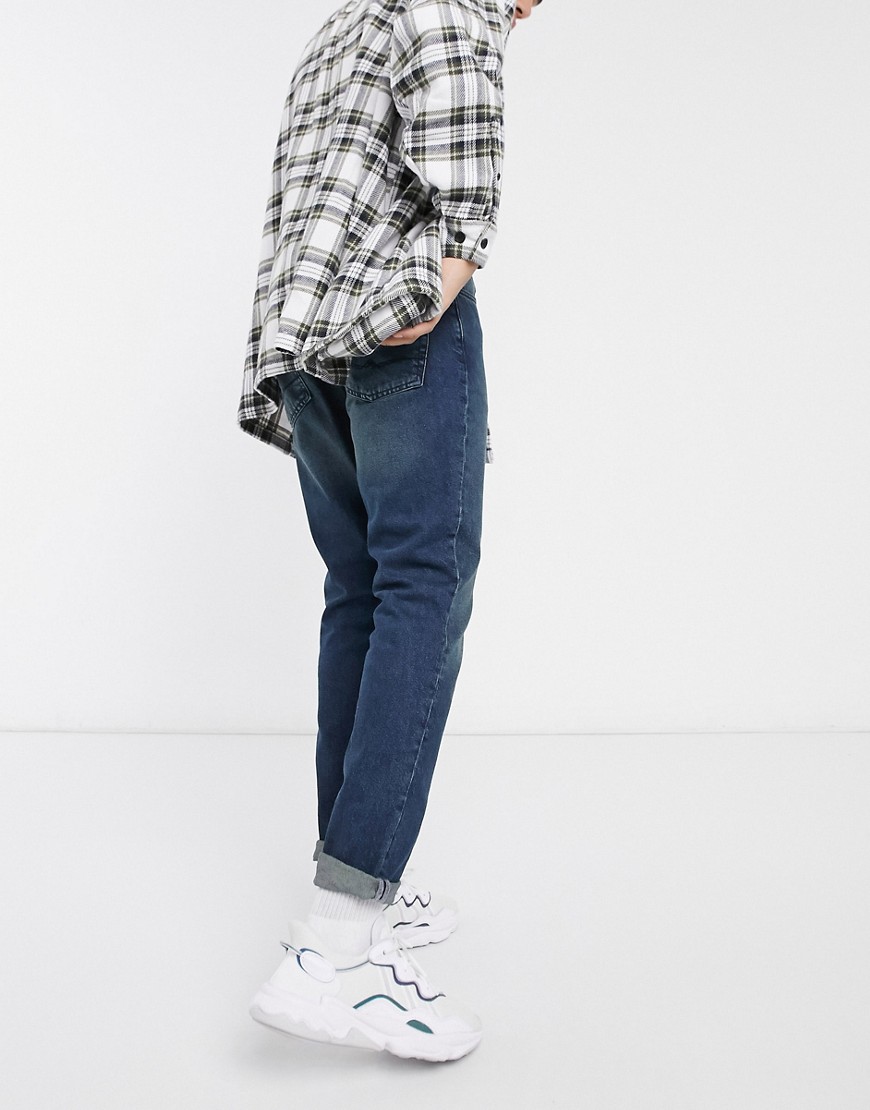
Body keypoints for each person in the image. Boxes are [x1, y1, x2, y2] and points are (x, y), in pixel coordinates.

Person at [238, 0, 543, 1063]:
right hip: (396, 334)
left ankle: (353, 876)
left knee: (363, 593)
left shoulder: (347, 23)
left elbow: (305, 194)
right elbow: (463, 202)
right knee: (426, 588)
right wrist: (432, 291)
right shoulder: (453, 12)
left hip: (308, 340)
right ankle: (338, 946)